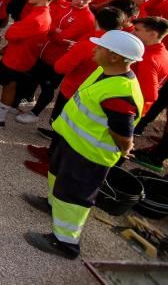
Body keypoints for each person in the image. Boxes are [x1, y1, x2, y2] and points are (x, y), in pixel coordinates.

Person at [24, 30, 144, 259]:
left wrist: (125, 148)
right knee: (58, 178)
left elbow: (122, 132)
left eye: (101, 48)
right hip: (73, 142)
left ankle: (65, 242)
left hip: (89, 154)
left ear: (115, 57)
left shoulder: (121, 93)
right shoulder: (104, 71)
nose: (95, 49)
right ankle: (52, 204)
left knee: (74, 196)